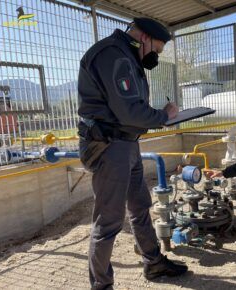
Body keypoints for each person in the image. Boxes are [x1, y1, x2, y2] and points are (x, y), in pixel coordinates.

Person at [77, 17, 188, 289]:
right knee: (108, 223)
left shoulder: (127, 56)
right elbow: (130, 111)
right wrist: (164, 115)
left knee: (140, 206)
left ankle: (153, 262)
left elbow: (131, 111)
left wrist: (160, 116)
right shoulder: (112, 55)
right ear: (145, 38)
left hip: (126, 144)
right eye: (157, 50)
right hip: (109, 147)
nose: (156, 56)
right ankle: (101, 286)